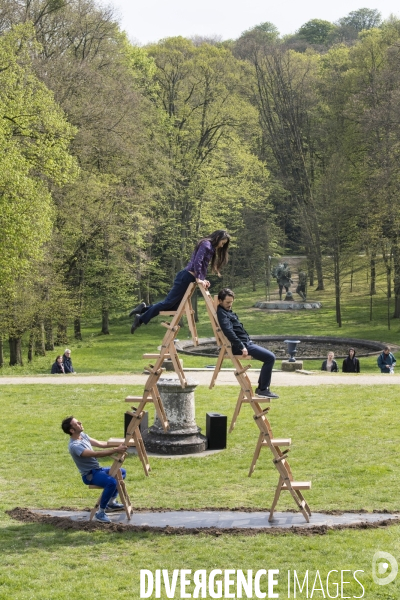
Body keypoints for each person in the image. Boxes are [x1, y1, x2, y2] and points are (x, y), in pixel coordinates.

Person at [129, 230, 230, 334]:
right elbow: (197, 261)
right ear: (217, 238)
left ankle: (143, 309)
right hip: (185, 277)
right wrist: (199, 278)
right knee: (168, 303)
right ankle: (140, 319)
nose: (222, 246)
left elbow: (202, 265)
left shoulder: (210, 247)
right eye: (222, 243)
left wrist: (202, 279)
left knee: (173, 307)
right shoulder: (206, 244)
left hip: (189, 278)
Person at [61, 416, 128, 523]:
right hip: (90, 475)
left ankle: (111, 503)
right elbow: (96, 453)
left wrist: (121, 443)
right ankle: (101, 512)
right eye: (77, 423)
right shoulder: (75, 446)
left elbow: (101, 444)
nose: (80, 422)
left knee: (121, 472)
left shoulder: (82, 435)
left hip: (98, 470)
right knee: (111, 482)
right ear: (72, 430)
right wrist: (116, 450)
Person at [216, 288, 279, 399]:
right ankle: (263, 389)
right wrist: (241, 346)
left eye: (231, 302)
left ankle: (262, 389)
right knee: (270, 357)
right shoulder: (222, 314)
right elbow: (228, 331)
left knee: (269, 357)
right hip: (240, 346)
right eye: (227, 302)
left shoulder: (226, 311)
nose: (230, 305)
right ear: (220, 301)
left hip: (246, 343)